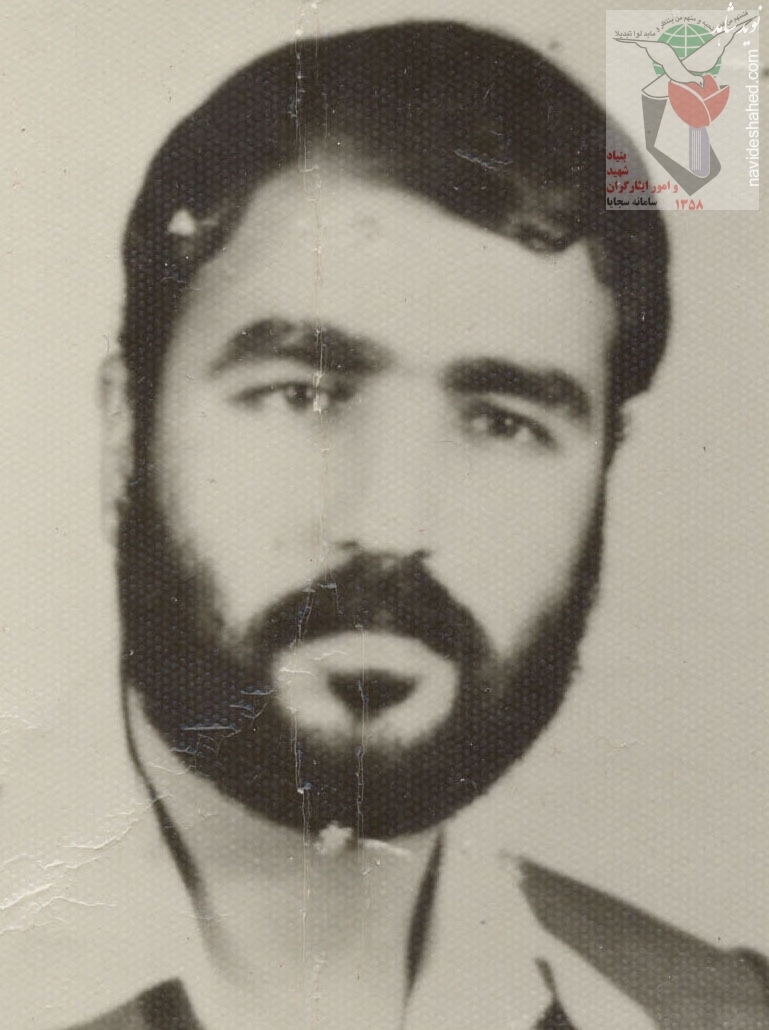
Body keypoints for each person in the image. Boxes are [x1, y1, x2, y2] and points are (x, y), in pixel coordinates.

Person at [51, 18, 769, 1030]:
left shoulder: (710, 1010)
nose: (390, 521)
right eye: (302, 393)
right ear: (126, 435)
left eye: (502, 423)